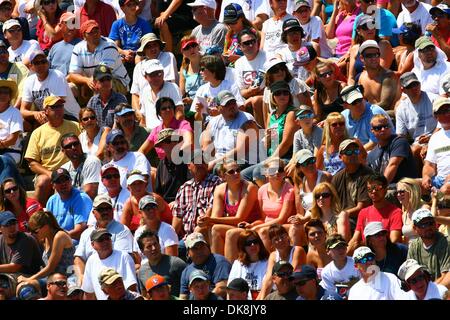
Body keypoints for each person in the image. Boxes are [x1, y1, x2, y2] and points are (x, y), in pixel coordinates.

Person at [24, 96, 81, 205]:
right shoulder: (37, 133)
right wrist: (50, 174)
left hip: (71, 170)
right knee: (42, 182)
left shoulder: (75, 126)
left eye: (61, 106)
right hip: (48, 172)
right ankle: (36, 214)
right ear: (46, 111)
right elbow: (32, 163)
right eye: (54, 107)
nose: (59, 109)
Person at [74, 193, 134, 285]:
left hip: (113, 278)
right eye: (101, 209)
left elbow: (120, 261)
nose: (105, 212)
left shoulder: (122, 230)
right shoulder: (86, 233)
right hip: (90, 277)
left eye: (108, 208)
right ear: (94, 213)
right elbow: (78, 258)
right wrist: (81, 276)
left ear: (113, 210)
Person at [205, 159, 259, 257]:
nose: (236, 173)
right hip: (236, 225)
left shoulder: (249, 188)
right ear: (223, 176)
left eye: (238, 170)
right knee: (212, 228)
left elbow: (240, 218)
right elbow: (215, 218)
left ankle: (229, 269)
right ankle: (219, 266)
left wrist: (210, 219)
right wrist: (207, 220)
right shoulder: (220, 189)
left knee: (230, 233)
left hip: (250, 226)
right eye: (231, 171)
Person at [67, 20, 130, 100]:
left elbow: (103, 73)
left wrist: (89, 82)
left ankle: (100, 111)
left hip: (117, 81)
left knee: (100, 84)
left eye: (97, 31)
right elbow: (72, 75)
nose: (95, 34)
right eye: (91, 33)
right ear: (84, 36)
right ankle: (76, 112)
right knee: (69, 88)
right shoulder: (78, 48)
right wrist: (86, 81)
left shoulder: (109, 44)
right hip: (92, 81)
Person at [171, 150, 222, 242]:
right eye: (197, 161)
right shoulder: (184, 188)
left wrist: (197, 232)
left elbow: (211, 210)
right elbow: (178, 217)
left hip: (205, 234)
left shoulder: (216, 182)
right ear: (188, 166)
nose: (201, 164)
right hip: (187, 237)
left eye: (204, 161)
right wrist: (171, 239)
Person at [20, 50, 80, 124]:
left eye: (43, 61)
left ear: (48, 63)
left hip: (69, 117)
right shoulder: (29, 81)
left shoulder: (57, 76)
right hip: (48, 117)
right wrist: (35, 114)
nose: (41, 65)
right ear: (31, 66)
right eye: (37, 63)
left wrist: (40, 115)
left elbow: (57, 106)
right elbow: (23, 111)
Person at [200, 90, 254, 171]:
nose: (232, 106)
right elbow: (206, 149)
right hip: (219, 161)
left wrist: (215, 162)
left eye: (233, 102)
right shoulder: (213, 122)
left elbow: (240, 150)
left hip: (242, 161)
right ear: (218, 108)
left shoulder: (246, 119)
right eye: (227, 104)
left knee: (218, 169)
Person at [348, 174, 403, 253]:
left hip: (387, 256)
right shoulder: (363, 213)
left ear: (385, 189)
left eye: (376, 188)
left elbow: (394, 240)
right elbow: (354, 240)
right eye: (369, 189)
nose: (373, 192)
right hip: (367, 256)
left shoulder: (395, 212)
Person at [250, 158, 295, 251]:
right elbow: (264, 218)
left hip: (283, 226)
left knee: (262, 231)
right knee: (233, 233)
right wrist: (252, 225)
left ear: (284, 173)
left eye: (280, 170)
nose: (277, 172)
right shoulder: (261, 190)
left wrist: (258, 227)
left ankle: (267, 262)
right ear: (266, 173)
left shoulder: (290, 190)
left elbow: (281, 219)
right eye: (272, 170)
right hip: (267, 225)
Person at [19, 210, 75, 284]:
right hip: (50, 279)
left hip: (65, 279)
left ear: (45, 227)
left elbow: (50, 268)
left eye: (35, 231)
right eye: (29, 230)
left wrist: (28, 279)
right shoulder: (44, 239)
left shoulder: (60, 236)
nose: (32, 234)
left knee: (28, 285)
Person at [396, 72, 438, 167]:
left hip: (437, 136)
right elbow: (401, 136)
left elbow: (444, 124)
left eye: (416, 84)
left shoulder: (433, 99)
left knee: (424, 152)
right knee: (413, 151)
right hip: (417, 143)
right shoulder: (401, 109)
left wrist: (431, 139)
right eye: (410, 86)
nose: (414, 88)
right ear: (403, 90)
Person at [81, 229, 137, 300]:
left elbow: (132, 287)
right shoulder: (91, 261)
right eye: (101, 240)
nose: (105, 242)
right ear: (93, 245)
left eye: (107, 238)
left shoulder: (123, 256)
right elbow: (88, 293)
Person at [288, 150, 332, 237]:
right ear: (299, 167)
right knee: (294, 228)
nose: (310, 165)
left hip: (324, 217)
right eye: (305, 163)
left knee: (306, 228)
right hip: (308, 219)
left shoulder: (325, 177)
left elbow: (325, 206)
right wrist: (297, 219)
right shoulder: (299, 182)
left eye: (312, 160)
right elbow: (300, 212)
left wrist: (305, 219)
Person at [132, 33, 178, 113]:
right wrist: (137, 112)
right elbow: (135, 94)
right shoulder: (138, 67)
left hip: (166, 107)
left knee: (197, 121)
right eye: (148, 46)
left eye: (155, 45)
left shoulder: (168, 56)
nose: (153, 48)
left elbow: (166, 82)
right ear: (144, 50)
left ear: (159, 46)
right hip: (145, 109)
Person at [138, 97, 193, 164]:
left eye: (170, 107)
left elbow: (189, 143)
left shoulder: (183, 125)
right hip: (164, 168)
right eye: (164, 108)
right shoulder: (156, 131)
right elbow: (141, 151)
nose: (168, 110)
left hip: (183, 164)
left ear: (174, 110)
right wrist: (148, 167)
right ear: (159, 113)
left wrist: (174, 157)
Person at [190, 55, 244, 123]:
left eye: (203, 69)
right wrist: (199, 112)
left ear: (214, 70)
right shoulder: (201, 89)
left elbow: (241, 107)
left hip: (229, 124)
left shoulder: (230, 86)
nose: (200, 72)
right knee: (197, 126)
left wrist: (220, 112)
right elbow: (197, 121)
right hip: (209, 126)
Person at [331, 139, 373, 225]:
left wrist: (342, 215)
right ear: (340, 157)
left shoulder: (367, 174)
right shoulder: (337, 178)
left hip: (361, 220)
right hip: (341, 218)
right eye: (349, 152)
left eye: (356, 151)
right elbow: (331, 202)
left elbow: (362, 208)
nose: (353, 154)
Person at [259, 224, 306, 299]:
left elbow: (291, 275)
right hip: (280, 290)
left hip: (295, 291)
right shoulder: (273, 255)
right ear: (272, 243)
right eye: (276, 239)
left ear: (287, 236)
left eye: (282, 236)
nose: (280, 240)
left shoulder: (297, 250)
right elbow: (269, 280)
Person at [367, 114, 419, 184]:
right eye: (379, 128)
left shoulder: (399, 141)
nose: (383, 129)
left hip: (404, 188)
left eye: (386, 126)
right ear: (372, 130)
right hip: (385, 189)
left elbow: (393, 165)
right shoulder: (371, 155)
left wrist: (382, 188)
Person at [108, 0, 152, 81]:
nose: (133, 7)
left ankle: (141, 83)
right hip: (124, 54)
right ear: (122, 8)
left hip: (140, 53)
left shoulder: (144, 23)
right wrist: (124, 52)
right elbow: (114, 45)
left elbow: (148, 43)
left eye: (134, 4)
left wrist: (135, 53)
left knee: (139, 59)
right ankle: (120, 87)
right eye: (129, 5)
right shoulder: (117, 24)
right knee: (118, 59)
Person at [340, 84, 393, 151]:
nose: (359, 104)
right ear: (345, 105)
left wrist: (355, 153)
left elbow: (375, 143)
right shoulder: (343, 116)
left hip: (380, 151)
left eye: (359, 99)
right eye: (354, 102)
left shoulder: (375, 112)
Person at [179, 232, 231, 300]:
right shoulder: (186, 271)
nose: (199, 251)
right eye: (195, 248)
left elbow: (222, 288)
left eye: (202, 247)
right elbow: (183, 297)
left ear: (207, 247)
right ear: (188, 253)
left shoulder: (219, 261)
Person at [46, 168, 92, 242]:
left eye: (65, 180)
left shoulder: (81, 198)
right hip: (57, 243)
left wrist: (59, 239)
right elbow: (47, 228)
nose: (63, 183)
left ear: (71, 181)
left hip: (76, 245)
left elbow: (80, 231)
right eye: (59, 181)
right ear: (53, 185)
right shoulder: (51, 201)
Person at [407, 208, 450, 287]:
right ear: (415, 228)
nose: (428, 227)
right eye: (423, 225)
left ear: (435, 224)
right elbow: (411, 275)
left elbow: (445, 276)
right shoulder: (414, 246)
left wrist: (428, 293)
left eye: (430, 223)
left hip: (441, 291)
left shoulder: (445, 242)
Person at [136, 230, 186, 297]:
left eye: (155, 244)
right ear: (142, 251)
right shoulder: (142, 272)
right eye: (149, 246)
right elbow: (145, 296)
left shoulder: (176, 263)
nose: (153, 248)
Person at [101, 128, 151, 193]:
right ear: (108, 147)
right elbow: (102, 193)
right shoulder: (105, 168)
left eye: (122, 142)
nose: (120, 145)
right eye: (115, 143)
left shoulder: (137, 157)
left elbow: (142, 183)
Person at [137, 59, 183, 129]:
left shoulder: (172, 87)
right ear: (145, 77)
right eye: (152, 75)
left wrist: (175, 138)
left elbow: (179, 114)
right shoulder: (144, 91)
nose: (157, 77)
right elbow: (143, 120)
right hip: (151, 135)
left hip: (169, 132)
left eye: (159, 73)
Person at [234, 28, 266, 128]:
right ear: (240, 46)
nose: (251, 45)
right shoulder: (239, 63)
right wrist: (251, 92)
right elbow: (241, 92)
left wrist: (252, 95)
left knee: (256, 101)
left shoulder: (267, 57)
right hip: (248, 99)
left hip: (271, 96)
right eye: (247, 43)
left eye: (253, 41)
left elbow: (276, 84)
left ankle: (262, 134)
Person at [227, 230, 269, 300]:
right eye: (248, 243)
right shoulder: (238, 264)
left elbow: (267, 288)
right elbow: (231, 290)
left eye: (255, 242)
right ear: (243, 246)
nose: (253, 245)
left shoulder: (268, 262)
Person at [0, 211, 43, 278]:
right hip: (11, 275)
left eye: (14, 223)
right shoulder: (1, 239)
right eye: (7, 225)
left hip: (31, 277)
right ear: (0, 229)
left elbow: (14, 267)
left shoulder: (26, 239)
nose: (12, 227)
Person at [152, 128, 191, 204]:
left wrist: (177, 201)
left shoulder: (187, 159)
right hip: (165, 205)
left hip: (184, 202)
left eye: (175, 140)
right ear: (161, 146)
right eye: (168, 141)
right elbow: (158, 192)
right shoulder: (161, 164)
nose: (173, 144)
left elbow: (191, 186)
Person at [60, 133, 101, 200]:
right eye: (68, 146)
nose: (73, 148)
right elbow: (58, 193)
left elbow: (89, 193)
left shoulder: (92, 161)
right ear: (63, 151)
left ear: (80, 145)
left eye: (76, 144)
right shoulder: (64, 168)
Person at [86, 64, 128, 130]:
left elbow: (124, 123)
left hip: (116, 137)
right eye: (102, 80)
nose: (106, 82)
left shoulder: (120, 99)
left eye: (108, 79)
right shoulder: (92, 101)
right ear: (94, 82)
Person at [422, 97, 450, 193]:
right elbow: (429, 164)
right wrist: (426, 176)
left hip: (448, 181)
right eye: (443, 111)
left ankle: (436, 201)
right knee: (408, 186)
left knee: (446, 188)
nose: (448, 113)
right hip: (439, 180)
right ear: (435, 116)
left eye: (449, 109)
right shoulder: (435, 138)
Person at [320, 234, 360, 299]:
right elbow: (331, 294)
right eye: (337, 247)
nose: (341, 249)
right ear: (328, 251)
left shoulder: (357, 263)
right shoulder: (326, 272)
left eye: (343, 246)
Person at [47, 12, 81, 77]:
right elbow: (46, 68)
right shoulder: (54, 47)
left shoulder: (83, 45)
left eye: (74, 23)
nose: (72, 26)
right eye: (69, 23)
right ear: (60, 26)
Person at [0, 79, 23, 165]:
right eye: (0, 92)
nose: (3, 95)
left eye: (6, 92)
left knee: (2, 161)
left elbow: (13, 139)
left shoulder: (15, 112)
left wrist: (2, 144)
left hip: (11, 151)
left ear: (10, 96)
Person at [0, 40, 28, 109]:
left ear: (8, 54)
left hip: (18, 111)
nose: (2, 54)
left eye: (4, 51)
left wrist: (13, 111)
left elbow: (23, 93)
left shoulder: (20, 67)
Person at [396, 178, 425, 244]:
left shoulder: (423, 209)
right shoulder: (404, 215)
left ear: (412, 191)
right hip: (411, 251)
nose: (398, 195)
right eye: (397, 192)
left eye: (402, 192)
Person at [179, 36, 204, 110]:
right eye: (187, 48)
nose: (191, 49)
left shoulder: (208, 62)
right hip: (192, 110)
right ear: (183, 52)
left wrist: (194, 102)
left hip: (209, 106)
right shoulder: (184, 68)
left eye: (193, 45)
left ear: (198, 47)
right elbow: (182, 93)